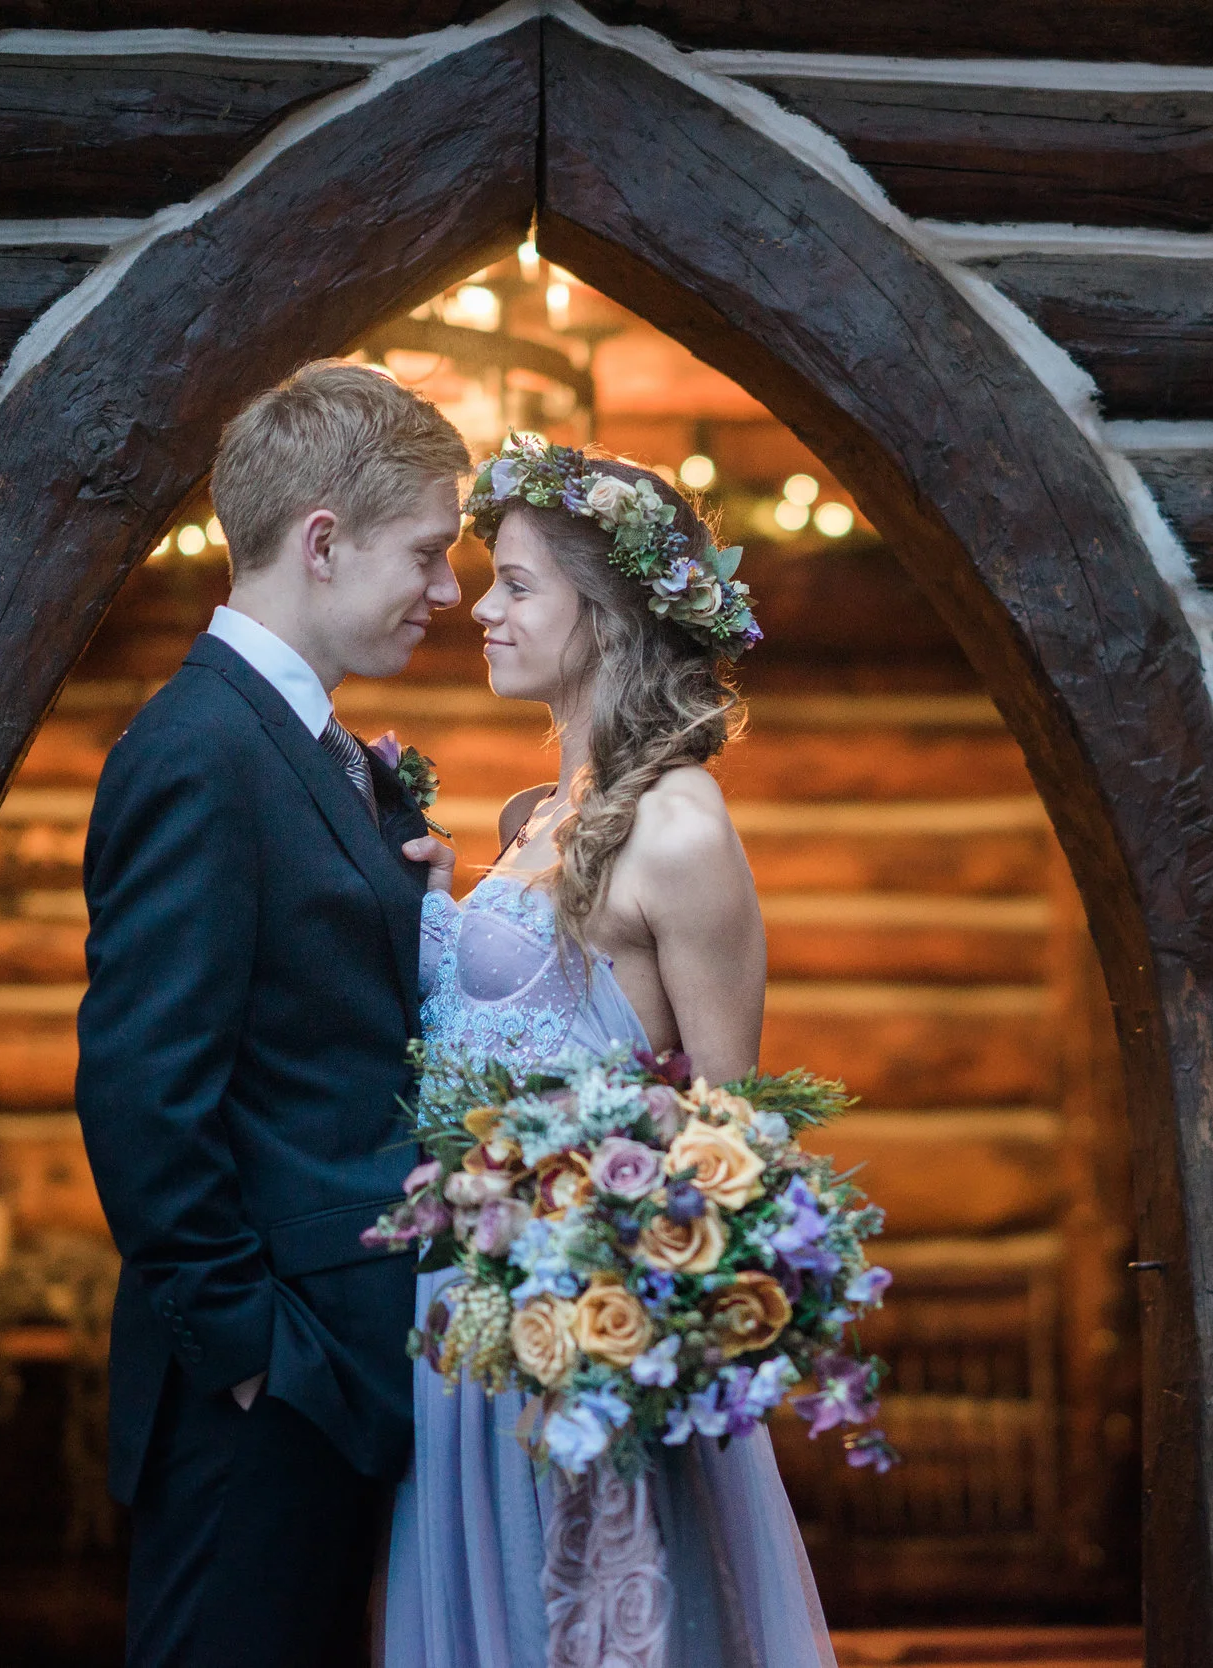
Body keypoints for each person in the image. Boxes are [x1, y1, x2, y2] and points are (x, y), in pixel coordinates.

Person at [382, 439, 835, 1668]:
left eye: (517, 584)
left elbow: (730, 1141)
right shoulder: (539, 819)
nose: (483, 608)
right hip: (466, 1321)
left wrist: (615, 1325)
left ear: (610, 613)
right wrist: (434, 898)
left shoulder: (680, 827)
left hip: (585, 1351)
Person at [77, 360, 471, 1668]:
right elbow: (144, 1096)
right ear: (321, 541)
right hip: (263, 1399)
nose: (448, 590)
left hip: (342, 1380)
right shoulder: (199, 748)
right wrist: (255, 1354)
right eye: (427, 551)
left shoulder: (318, 751)